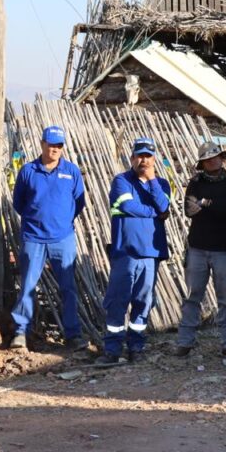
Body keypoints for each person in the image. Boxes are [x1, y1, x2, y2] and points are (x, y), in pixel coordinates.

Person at [9, 126, 88, 351]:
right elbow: (19, 202)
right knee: (27, 287)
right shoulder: (28, 171)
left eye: (59, 145)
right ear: (42, 143)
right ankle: (21, 332)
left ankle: (72, 335)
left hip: (62, 238)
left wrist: (61, 221)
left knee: (68, 287)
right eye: (51, 144)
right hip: (33, 237)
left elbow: (78, 203)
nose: (54, 149)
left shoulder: (71, 171)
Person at [97, 137, 171, 366]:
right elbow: (127, 206)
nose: (143, 160)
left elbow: (165, 206)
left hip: (150, 252)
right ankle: (113, 348)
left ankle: (136, 346)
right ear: (131, 158)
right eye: (139, 155)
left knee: (143, 301)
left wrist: (152, 182)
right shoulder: (121, 180)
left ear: (154, 159)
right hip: (126, 251)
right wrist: (155, 212)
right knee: (118, 300)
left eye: (148, 156)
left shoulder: (163, 184)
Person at [172, 141, 226, 360]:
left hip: (223, 249)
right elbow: (189, 210)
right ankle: (185, 342)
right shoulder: (195, 184)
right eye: (208, 159)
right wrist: (211, 204)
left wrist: (205, 203)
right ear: (202, 163)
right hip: (197, 248)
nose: (213, 161)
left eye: (216, 157)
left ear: (222, 158)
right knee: (192, 297)